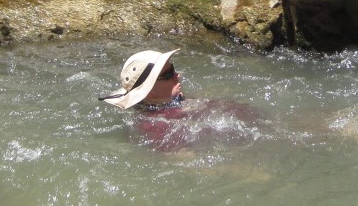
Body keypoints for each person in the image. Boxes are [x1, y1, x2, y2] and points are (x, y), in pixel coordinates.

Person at [100, 48, 258, 151]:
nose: (178, 75)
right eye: (168, 74)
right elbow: (188, 161)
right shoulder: (156, 127)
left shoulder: (172, 100)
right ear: (147, 92)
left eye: (172, 69)